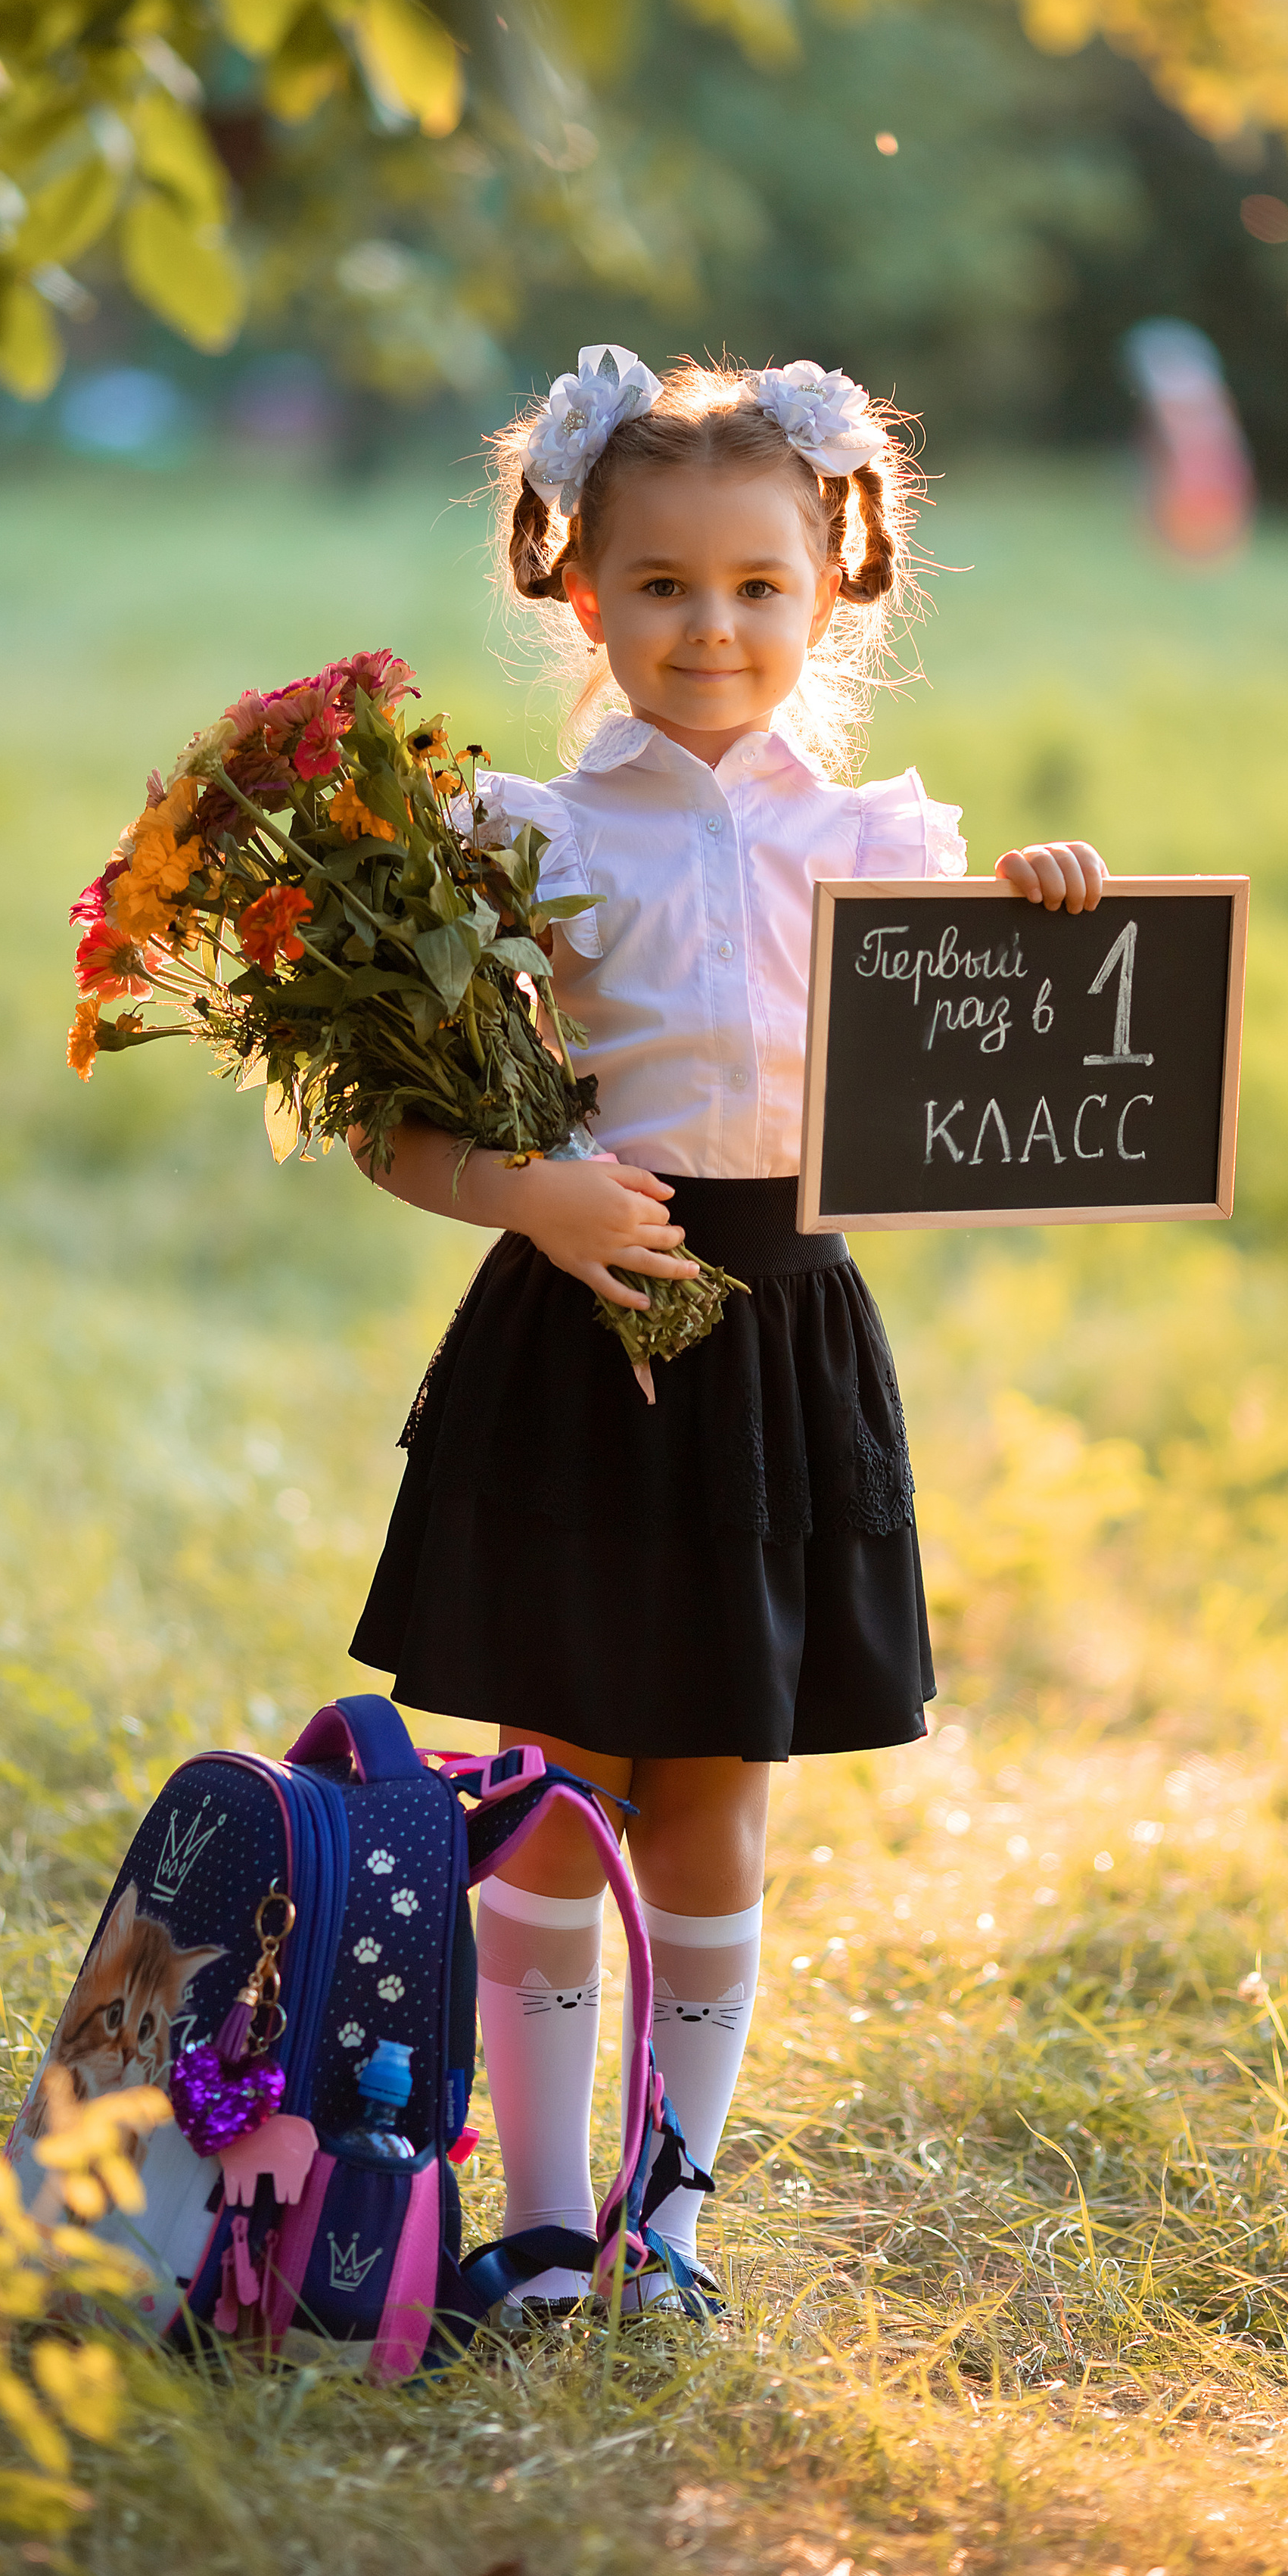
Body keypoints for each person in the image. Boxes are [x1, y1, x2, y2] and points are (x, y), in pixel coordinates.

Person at [348, 350, 1106, 2309]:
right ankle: (530, 2219)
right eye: (664, 585)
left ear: (830, 587)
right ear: (582, 593)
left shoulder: (879, 846)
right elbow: (395, 1125)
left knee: (717, 1795)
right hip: (585, 1329)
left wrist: (1045, 918)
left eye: (758, 585)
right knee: (552, 1780)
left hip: (778, 1346)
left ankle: (665, 2222)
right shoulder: (515, 839)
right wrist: (536, 1194)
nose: (712, 626)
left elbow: (974, 1079)